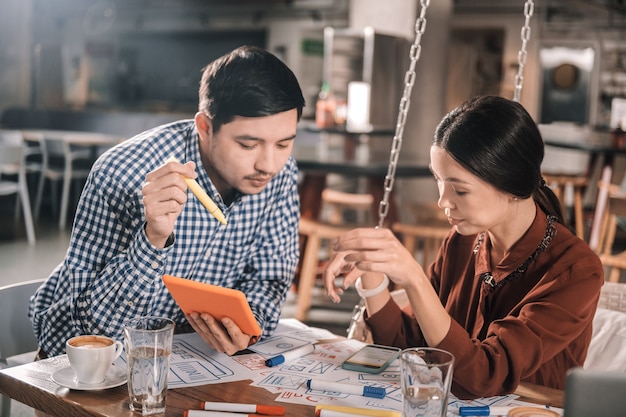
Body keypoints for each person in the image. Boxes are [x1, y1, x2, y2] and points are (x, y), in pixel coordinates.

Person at [29, 45, 306, 358]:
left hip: (189, 356)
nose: (268, 164)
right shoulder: (124, 172)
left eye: (284, 144)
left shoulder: (280, 176)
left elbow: (270, 278)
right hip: (83, 361)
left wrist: (246, 326)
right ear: (205, 127)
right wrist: (154, 238)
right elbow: (93, 330)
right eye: (248, 145)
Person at [323, 95, 604, 399]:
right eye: (439, 181)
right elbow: (409, 345)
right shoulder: (464, 240)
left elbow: (483, 377)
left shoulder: (575, 270)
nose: (443, 201)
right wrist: (373, 275)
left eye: (459, 189)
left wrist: (414, 278)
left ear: (512, 186)